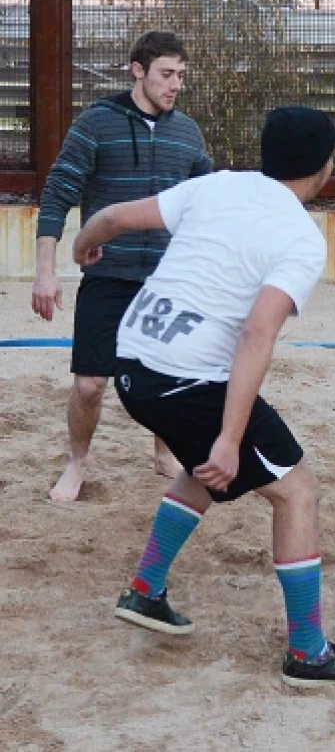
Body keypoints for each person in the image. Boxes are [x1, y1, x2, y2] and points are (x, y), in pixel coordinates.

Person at [70, 106, 335, 688]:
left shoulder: (220, 184)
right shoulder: (301, 238)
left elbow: (109, 218)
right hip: (187, 379)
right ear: (325, 168)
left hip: (132, 361)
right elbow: (256, 334)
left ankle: (144, 590)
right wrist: (233, 438)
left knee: (201, 463)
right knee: (296, 491)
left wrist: (85, 243)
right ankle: (308, 653)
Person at [34, 30, 213, 502]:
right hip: (109, 276)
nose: (175, 85)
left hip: (168, 280)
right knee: (91, 384)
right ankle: (76, 465)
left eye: (181, 76)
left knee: (168, 376)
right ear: (138, 71)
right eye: (166, 74)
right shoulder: (97, 124)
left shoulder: (187, 133)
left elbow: (208, 205)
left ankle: (162, 451)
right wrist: (45, 270)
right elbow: (57, 195)